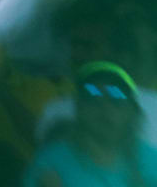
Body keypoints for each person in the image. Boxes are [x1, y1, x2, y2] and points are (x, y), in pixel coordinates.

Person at [23, 61, 157, 187]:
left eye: (116, 100)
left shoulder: (151, 161)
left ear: (131, 112)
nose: (104, 108)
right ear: (79, 108)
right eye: (92, 99)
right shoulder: (51, 162)